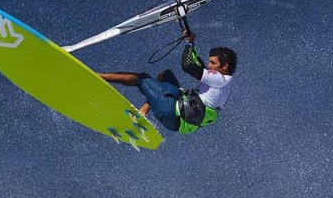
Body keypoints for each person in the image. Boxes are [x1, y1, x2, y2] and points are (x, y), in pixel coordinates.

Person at [98, 29, 236, 135]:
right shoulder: (225, 83)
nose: (209, 65)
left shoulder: (220, 80)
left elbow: (187, 66)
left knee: (141, 78)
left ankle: (99, 77)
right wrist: (190, 42)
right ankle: (143, 112)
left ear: (225, 66)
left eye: (213, 63)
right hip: (179, 121)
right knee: (166, 75)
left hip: (172, 113)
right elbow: (198, 65)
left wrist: (189, 43)